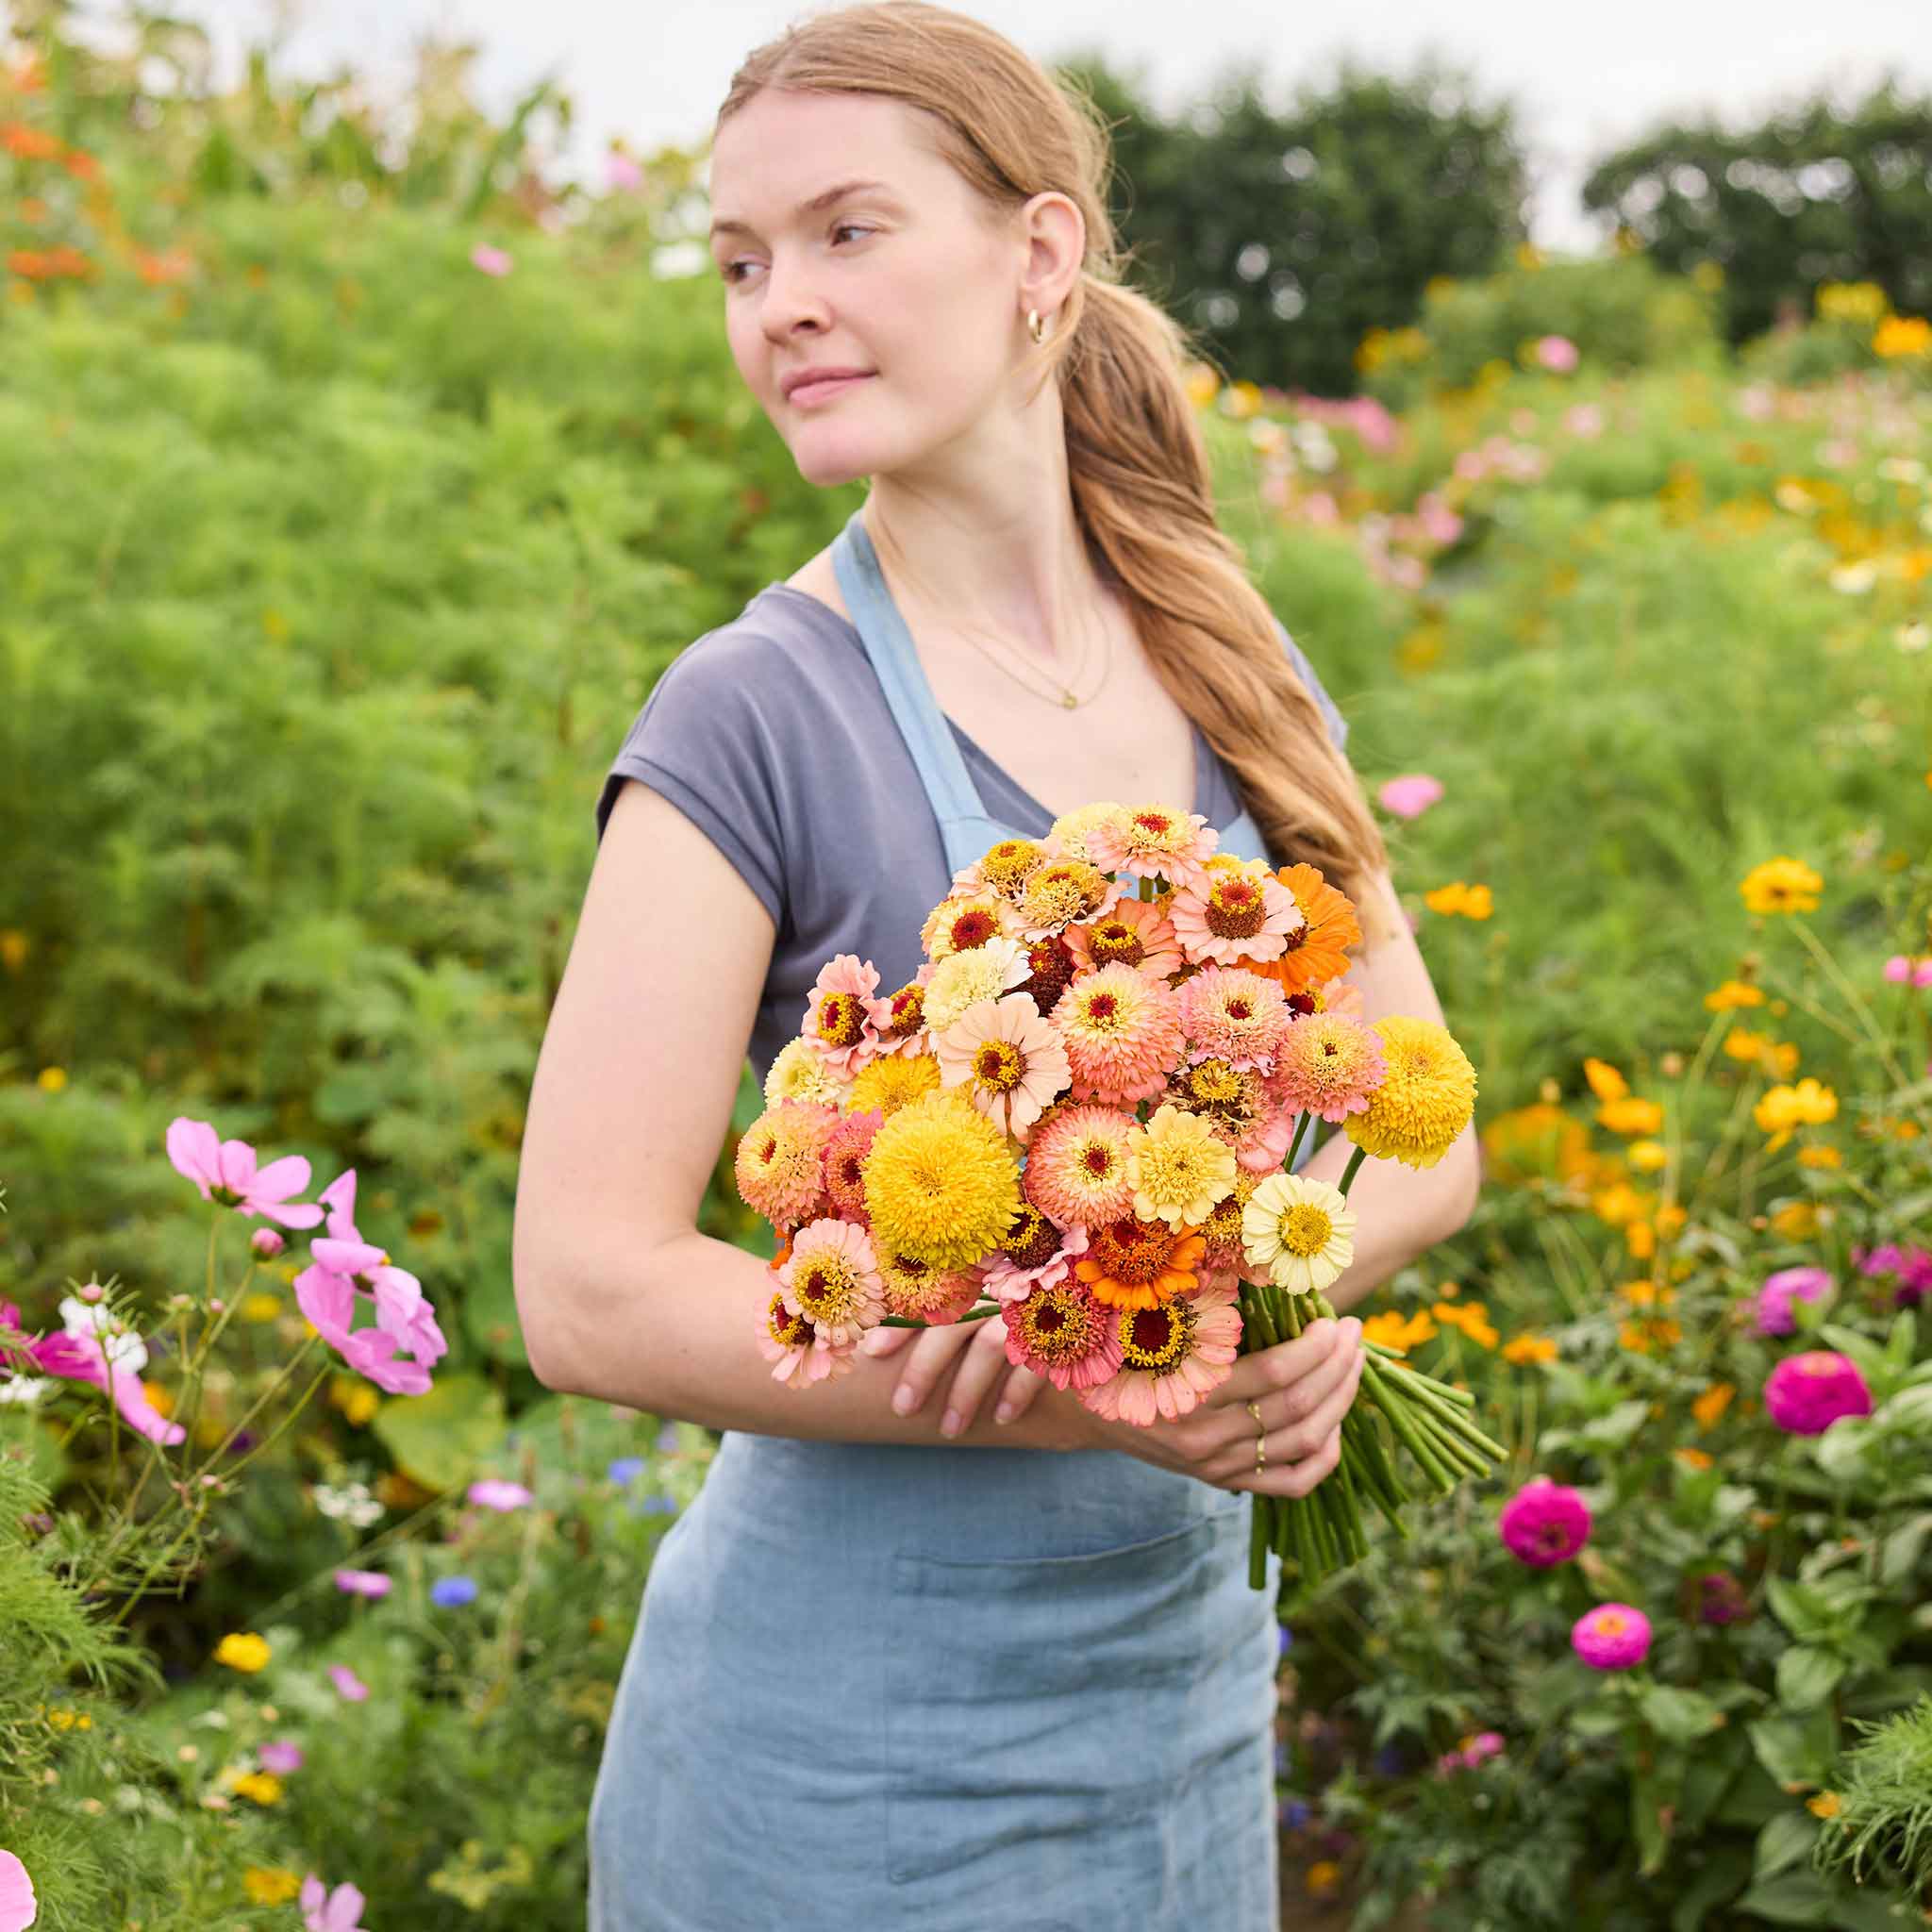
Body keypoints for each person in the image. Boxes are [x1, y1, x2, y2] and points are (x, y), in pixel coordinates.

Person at [511, 5, 1482, 1926]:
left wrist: (1279, 1321)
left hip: (1179, 1727)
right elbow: (588, 1292)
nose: (778, 301)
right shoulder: (752, 714)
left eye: (845, 233)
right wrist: (1108, 1373)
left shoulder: (1230, 655)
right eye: (739, 259)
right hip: (836, 1758)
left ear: (1038, 255)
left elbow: (1426, 1128)